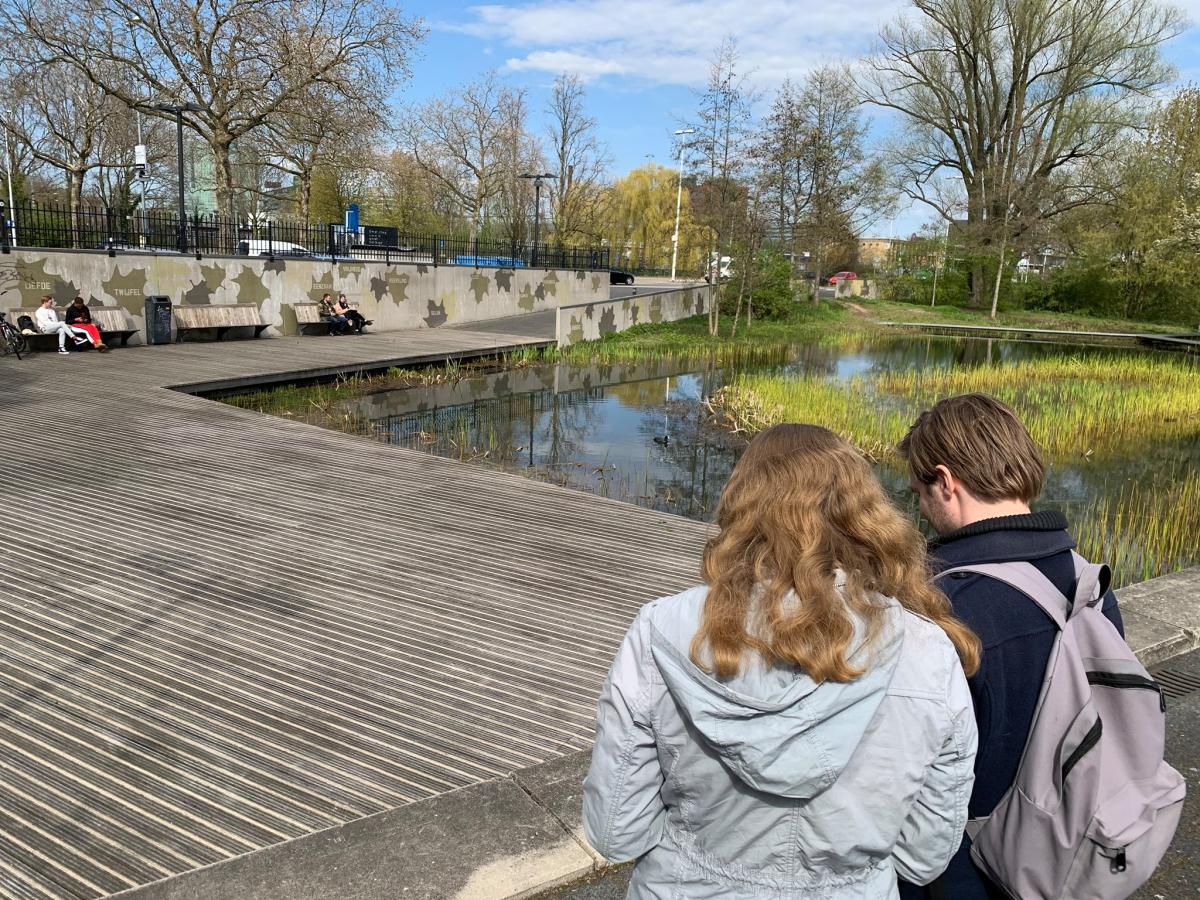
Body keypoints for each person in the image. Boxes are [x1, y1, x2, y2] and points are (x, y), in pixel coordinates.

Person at [584, 423, 982, 899]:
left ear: (742, 502)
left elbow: (615, 831)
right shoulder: (929, 650)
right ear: (864, 512)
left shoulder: (661, 630)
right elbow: (925, 855)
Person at [896, 394, 1125, 900]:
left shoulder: (942, 609)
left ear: (946, 481)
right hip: (1067, 851)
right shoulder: (1090, 584)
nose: (921, 507)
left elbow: (905, 773)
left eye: (919, 492)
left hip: (968, 869)